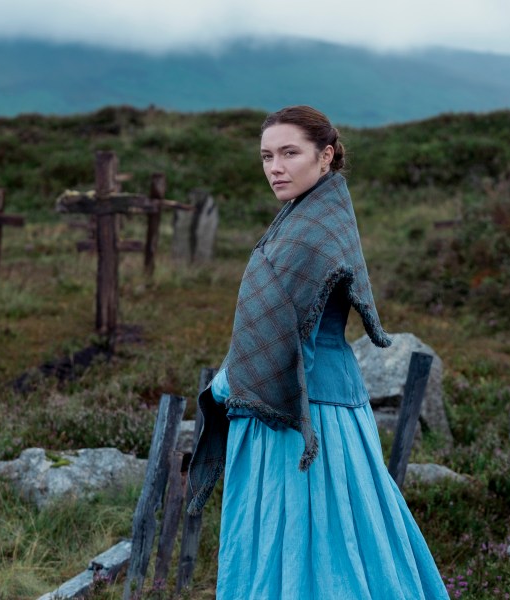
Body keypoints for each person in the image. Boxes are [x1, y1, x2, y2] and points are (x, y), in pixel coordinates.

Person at [188, 105, 448, 599]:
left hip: (301, 411)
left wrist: (225, 386)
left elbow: (281, 333)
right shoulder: (315, 214)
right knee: (342, 533)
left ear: (325, 156)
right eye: (267, 156)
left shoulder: (309, 229)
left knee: (307, 537)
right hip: (316, 404)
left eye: (290, 153)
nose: (275, 167)